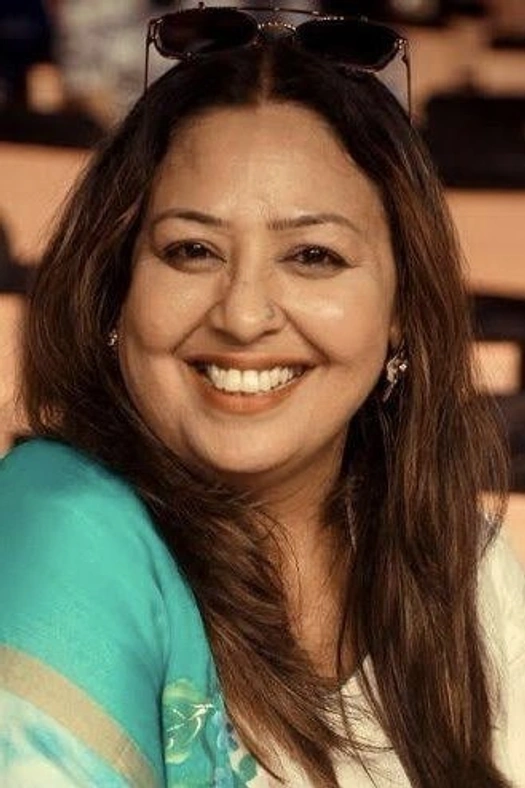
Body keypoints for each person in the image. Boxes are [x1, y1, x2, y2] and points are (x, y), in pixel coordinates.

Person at [1, 5, 524, 787]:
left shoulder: (460, 562)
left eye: (312, 255)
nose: (243, 315)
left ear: (401, 311)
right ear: (114, 292)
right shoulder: (59, 540)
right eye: (192, 250)